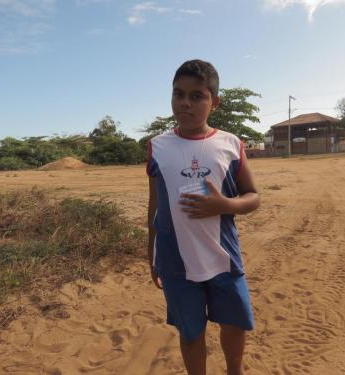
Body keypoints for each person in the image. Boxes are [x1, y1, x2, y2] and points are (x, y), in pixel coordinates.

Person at [146, 59, 260, 375]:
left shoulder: (231, 144)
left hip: (223, 258)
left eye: (197, 96)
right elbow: (153, 208)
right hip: (175, 263)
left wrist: (224, 205)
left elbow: (253, 197)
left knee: (235, 322)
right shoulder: (157, 147)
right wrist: (151, 254)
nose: (185, 102)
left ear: (215, 101)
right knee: (191, 331)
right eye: (178, 94)